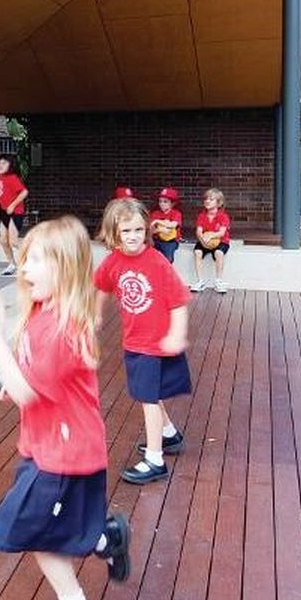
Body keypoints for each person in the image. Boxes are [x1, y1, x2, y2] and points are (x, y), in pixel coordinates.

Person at [0, 216, 131, 600]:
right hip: (51, 449)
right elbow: (30, 385)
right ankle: (105, 537)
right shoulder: (43, 314)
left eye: (35, 261)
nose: (24, 270)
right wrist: (4, 387)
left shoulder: (64, 329)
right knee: (50, 528)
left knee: (33, 532)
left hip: (64, 457)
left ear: (64, 266)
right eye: (24, 260)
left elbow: (28, 390)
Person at [94, 198, 191, 484]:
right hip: (134, 341)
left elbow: (179, 300)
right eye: (126, 231)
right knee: (149, 392)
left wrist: (177, 333)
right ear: (113, 233)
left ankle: (155, 459)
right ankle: (169, 434)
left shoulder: (157, 261)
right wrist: (96, 315)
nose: (133, 236)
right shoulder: (113, 261)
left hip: (155, 343)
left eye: (138, 230)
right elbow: (101, 286)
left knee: (148, 398)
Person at [0, 153, 28, 276]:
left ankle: (32, 258)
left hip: (15, 212)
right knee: (3, 240)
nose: (0, 165)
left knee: (13, 241)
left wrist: (13, 205)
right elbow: (3, 192)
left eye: (4, 163)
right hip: (4, 212)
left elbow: (24, 192)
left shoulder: (12, 178)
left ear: (11, 166)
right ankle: (12, 264)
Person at [190, 188, 231, 293]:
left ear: (219, 203)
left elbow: (221, 233)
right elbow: (199, 231)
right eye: (206, 199)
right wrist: (202, 240)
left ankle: (218, 281)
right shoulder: (202, 216)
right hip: (205, 240)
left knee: (219, 253)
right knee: (197, 252)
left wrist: (211, 235)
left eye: (211, 199)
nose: (207, 201)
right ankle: (200, 281)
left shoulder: (223, 216)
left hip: (220, 241)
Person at [150, 187, 183, 264]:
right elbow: (150, 230)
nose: (162, 204)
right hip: (157, 239)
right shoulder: (155, 214)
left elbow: (173, 225)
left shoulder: (176, 213)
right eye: (160, 201)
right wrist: (159, 230)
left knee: (168, 258)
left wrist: (157, 221)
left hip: (170, 241)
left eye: (165, 202)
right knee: (151, 256)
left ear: (172, 203)